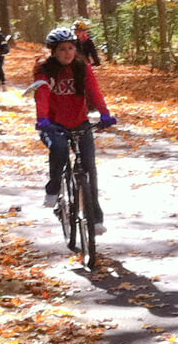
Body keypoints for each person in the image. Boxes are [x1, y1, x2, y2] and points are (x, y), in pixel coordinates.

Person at [32, 26, 117, 234]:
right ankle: (53, 189)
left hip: (80, 123)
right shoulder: (44, 69)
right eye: (62, 49)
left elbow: (94, 91)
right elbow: (42, 95)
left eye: (71, 48)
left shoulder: (82, 67)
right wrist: (43, 119)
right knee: (59, 150)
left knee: (89, 168)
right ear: (53, 51)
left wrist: (105, 114)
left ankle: (96, 219)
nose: (67, 53)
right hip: (52, 125)